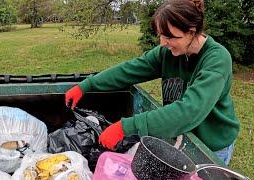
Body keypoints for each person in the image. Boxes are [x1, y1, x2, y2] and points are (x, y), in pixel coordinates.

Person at [65, 0, 239, 165]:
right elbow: (129, 70)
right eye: (161, 35)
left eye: (170, 37)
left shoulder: (216, 60)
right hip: (180, 137)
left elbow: (189, 110)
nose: (163, 43)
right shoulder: (167, 53)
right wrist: (87, 85)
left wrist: (126, 127)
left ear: (192, 32)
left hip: (211, 147)